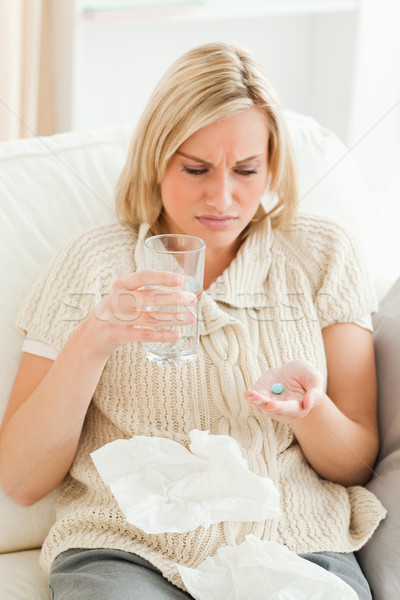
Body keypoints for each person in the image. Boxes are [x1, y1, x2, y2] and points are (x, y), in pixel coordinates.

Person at [0, 42, 385, 600]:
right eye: (197, 168)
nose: (223, 197)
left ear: (273, 163)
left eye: (247, 170)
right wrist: (93, 340)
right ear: (157, 158)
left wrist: (311, 412)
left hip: (293, 542)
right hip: (126, 549)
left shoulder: (321, 255)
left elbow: (355, 462)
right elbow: (21, 478)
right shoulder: (92, 261)